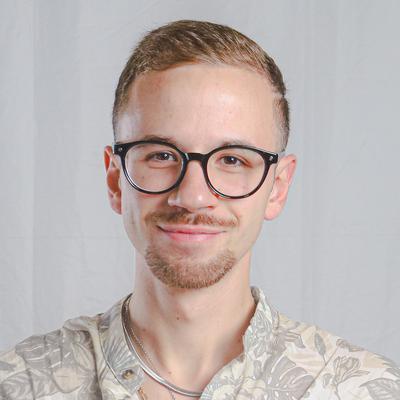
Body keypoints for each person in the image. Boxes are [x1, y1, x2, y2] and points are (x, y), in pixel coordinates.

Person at [0, 19, 398, 400]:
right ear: (115, 179)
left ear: (278, 187)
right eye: (160, 155)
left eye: (232, 160)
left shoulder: (364, 390)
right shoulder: (20, 386)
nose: (192, 196)